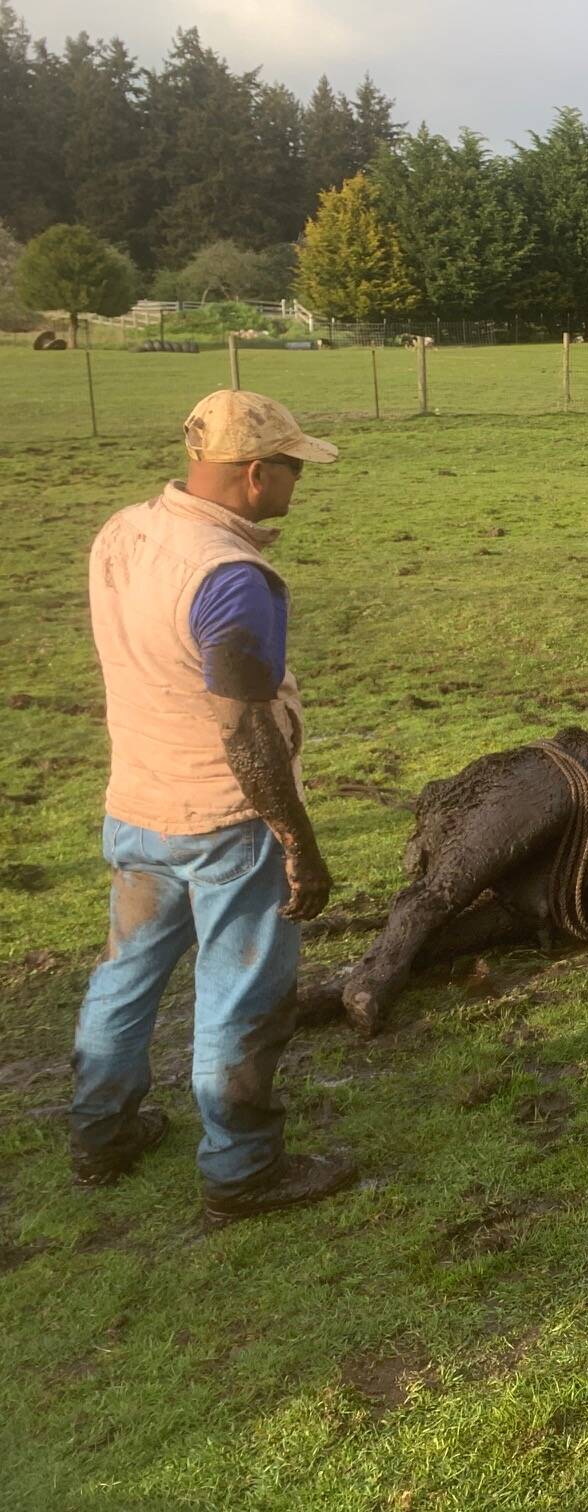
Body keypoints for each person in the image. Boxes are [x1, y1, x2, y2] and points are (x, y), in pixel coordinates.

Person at [73, 390, 357, 1227]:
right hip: (224, 818)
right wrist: (297, 842)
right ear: (254, 474)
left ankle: (100, 1132)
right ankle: (242, 1170)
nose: (298, 484)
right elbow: (244, 728)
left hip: (137, 800)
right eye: (293, 468)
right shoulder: (232, 578)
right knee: (240, 994)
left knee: (125, 975)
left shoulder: (124, 531)